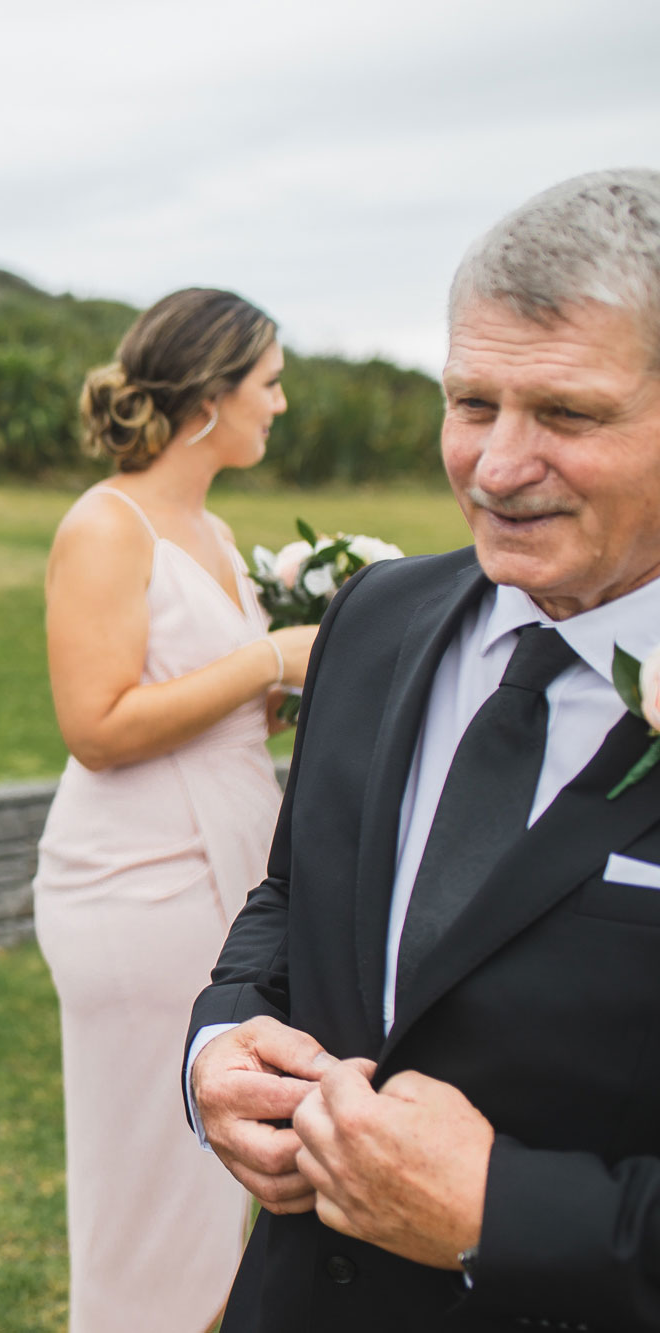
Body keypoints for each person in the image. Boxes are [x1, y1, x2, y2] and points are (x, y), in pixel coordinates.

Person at [187, 167, 660, 1331]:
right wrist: (218, 1041)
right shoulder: (377, 617)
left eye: (566, 414)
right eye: (469, 403)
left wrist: (507, 1210)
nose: (494, 468)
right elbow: (293, 893)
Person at [34, 287, 317, 1332]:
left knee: (210, 1195)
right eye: (269, 381)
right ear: (208, 397)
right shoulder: (104, 526)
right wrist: (267, 658)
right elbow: (97, 724)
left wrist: (295, 691)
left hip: (224, 858)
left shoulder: (207, 524)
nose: (279, 404)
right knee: (146, 1192)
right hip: (136, 885)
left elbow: (207, 706)